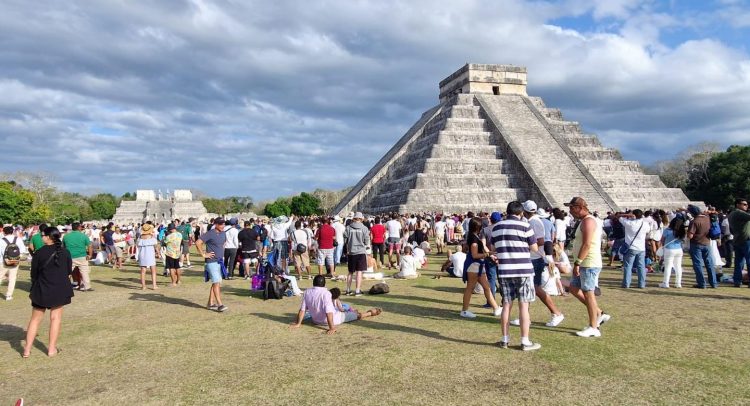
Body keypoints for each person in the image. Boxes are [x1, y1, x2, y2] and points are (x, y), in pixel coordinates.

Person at [491, 201, 542, 351]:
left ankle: (504, 339)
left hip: (505, 270)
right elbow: (534, 248)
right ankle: (525, 341)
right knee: (523, 306)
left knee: (506, 305)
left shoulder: (497, 227)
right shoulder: (525, 226)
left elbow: (493, 248)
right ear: (520, 213)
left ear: (507, 212)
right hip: (523, 270)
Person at [23, 227, 74, 357]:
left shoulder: (39, 253)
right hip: (59, 289)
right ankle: (51, 349)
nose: (41, 237)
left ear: (48, 237)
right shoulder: (66, 252)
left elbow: (34, 274)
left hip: (42, 288)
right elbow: (68, 271)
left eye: (42, 235)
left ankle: (27, 350)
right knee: (55, 318)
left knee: (35, 320)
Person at [565, 197, 610, 338]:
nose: (570, 211)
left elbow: (587, 244)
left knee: (589, 294)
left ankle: (593, 327)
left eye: (572, 208)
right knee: (573, 288)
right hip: (584, 263)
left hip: (588, 263)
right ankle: (599, 313)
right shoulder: (584, 221)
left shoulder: (589, 221)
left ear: (579, 207)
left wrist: (578, 262)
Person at [518, 200, 564, 327]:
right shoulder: (532, 221)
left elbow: (541, 240)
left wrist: (526, 246)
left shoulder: (534, 222)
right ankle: (525, 316)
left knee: (535, 288)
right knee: (530, 288)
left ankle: (556, 313)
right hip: (533, 257)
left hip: (535, 258)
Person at [289, 275, 381, 335]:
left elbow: (302, 310)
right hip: (335, 319)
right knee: (357, 316)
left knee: (346, 312)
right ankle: (369, 313)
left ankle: (356, 312)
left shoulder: (307, 292)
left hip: (316, 321)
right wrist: (332, 328)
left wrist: (298, 323)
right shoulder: (326, 293)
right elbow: (329, 313)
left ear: (314, 283)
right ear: (324, 283)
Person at [459, 218, 502, 319]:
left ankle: (496, 308)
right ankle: (464, 311)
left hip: (477, 266)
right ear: (477, 227)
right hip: (474, 265)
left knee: (486, 288)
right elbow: (474, 255)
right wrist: (487, 254)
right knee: (470, 288)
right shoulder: (473, 238)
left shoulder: (473, 236)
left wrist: (489, 254)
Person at [196, 218, 228, 312]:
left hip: (219, 261)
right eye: (220, 224)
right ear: (216, 224)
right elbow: (198, 242)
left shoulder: (223, 233)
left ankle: (210, 303)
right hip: (211, 262)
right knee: (216, 282)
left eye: (223, 224)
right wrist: (203, 254)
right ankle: (220, 304)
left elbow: (222, 244)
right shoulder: (210, 233)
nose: (222, 226)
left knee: (216, 282)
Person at [687, 205, 717, 289]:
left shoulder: (694, 221)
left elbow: (690, 236)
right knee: (709, 264)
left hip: (696, 244)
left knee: (698, 264)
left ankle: (702, 283)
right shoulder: (707, 218)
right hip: (707, 243)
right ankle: (713, 283)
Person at [617, 210, 648, 288]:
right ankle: (642, 284)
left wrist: (627, 214)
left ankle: (626, 284)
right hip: (641, 248)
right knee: (641, 267)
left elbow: (618, 216)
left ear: (633, 215)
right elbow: (648, 230)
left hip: (631, 247)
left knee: (628, 266)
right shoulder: (645, 224)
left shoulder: (629, 223)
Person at [344, 212, 370, 296]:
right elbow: (366, 241)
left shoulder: (348, 228)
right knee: (359, 272)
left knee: (350, 272)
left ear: (354, 218)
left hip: (351, 252)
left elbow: (345, 239)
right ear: (361, 219)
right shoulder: (364, 228)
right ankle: (357, 290)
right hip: (361, 252)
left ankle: (348, 289)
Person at [62, 222, 93, 292]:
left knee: (68, 272)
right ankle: (87, 287)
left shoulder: (66, 236)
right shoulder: (84, 236)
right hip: (82, 256)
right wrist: (90, 255)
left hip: (70, 256)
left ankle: (63, 286)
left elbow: (63, 247)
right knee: (84, 272)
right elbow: (90, 246)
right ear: (79, 227)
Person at [1, 225, 29, 301]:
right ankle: (9, 295)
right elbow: (23, 250)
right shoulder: (18, 239)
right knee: (12, 278)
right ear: (12, 231)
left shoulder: (1, 240)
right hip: (15, 261)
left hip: (3, 262)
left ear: (4, 232)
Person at [728, 198, 750, 287]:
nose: (746, 206)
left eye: (747, 204)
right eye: (744, 204)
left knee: (738, 262)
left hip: (737, 239)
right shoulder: (739, 213)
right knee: (748, 261)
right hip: (746, 239)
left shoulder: (732, 213)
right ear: (737, 205)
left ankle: (737, 281)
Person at [659, 216, 686, 288]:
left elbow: (662, 240)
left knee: (668, 266)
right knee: (678, 266)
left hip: (669, 249)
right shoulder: (682, 231)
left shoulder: (667, 230)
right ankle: (678, 283)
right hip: (679, 249)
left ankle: (666, 282)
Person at [137, 223, 161, 290]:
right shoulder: (152, 238)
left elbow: (137, 245)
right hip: (150, 254)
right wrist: (158, 253)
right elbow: (156, 246)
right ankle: (154, 285)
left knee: (143, 271)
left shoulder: (139, 238)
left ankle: (143, 286)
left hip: (142, 254)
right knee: (153, 270)